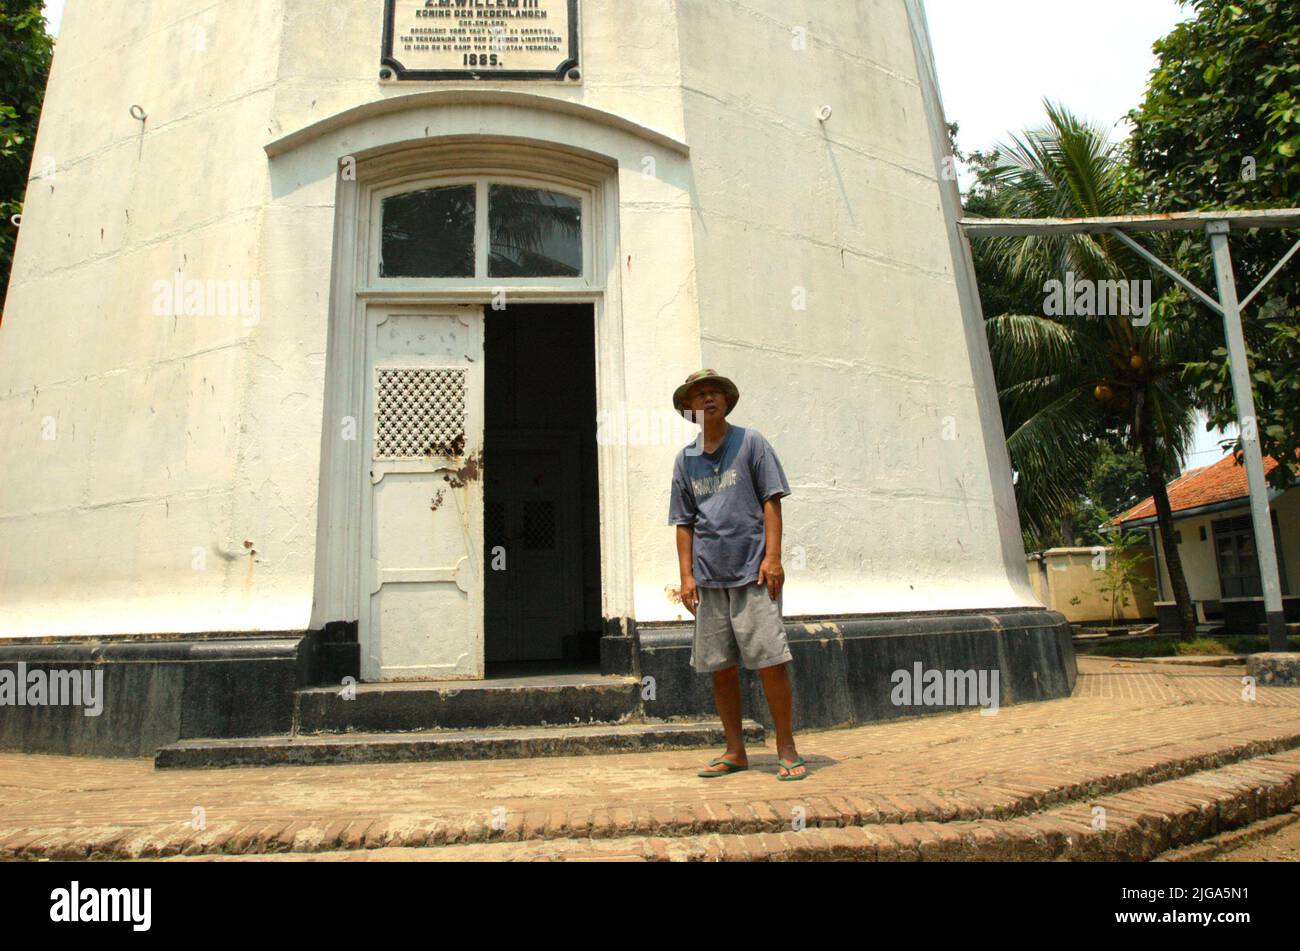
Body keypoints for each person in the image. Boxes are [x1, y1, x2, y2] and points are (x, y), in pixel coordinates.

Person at [667, 369, 807, 780]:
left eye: (714, 393)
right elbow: (684, 522)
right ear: (689, 410)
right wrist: (686, 577)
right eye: (699, 395)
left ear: (726, 401)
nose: (707, 399)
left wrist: (774, 557)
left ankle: (786, 747)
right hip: (709, 578)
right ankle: (735, 750)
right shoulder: (685, 459)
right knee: (721, 667)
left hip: (754, 573)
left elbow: (771, 500)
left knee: (771, 661)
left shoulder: (751, 443)